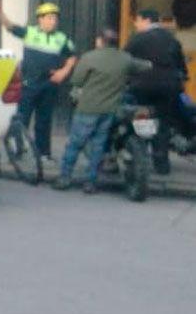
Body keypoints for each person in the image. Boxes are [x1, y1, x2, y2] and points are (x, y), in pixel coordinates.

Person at [54, 28, 151, 193]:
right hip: (109, 110)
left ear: (100, 41)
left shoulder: (89, 58)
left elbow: (77, 81)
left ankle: (64, 177)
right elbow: (145, 66)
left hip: (88, 108)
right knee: (99, 147)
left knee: (75, 144)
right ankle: (91, 182)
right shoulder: (125, 59)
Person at [0, 0, 77, 163]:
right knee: (21, 119)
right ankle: (17, 150)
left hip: (49, 84)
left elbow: (72, 57)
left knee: (44, 120)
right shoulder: (30, 32)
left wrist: (64, 71)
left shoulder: (62, 38)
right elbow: (10, 26)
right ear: (40, 19)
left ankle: (43, 154)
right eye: (49, 17)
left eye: (55, 18)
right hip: (29, 83)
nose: (53, 21)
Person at [126, 8, 190, 175]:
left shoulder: (137, 39)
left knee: (137, 119)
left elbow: (125, 62)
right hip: (167, 88)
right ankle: (162, 164)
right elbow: (180, 65)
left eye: (138, 20)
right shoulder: (171, 40)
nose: (136, 24)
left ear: (146, 20)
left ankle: (137, 156)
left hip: (141, 88)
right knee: (163, 124)